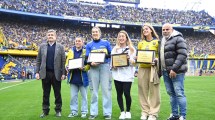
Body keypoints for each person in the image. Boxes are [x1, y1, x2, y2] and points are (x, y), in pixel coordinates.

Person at [35, 29, 66, 118]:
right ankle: (45, 111)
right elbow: (38, 60)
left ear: (55, 37)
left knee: (57, 93)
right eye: (49, 35)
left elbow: (63, 61)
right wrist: (37, 72)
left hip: (56, 74)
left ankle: (58, 110)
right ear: (47, 36)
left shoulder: (61, 47)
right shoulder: (42, 46)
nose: (50, 36)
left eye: (52, 35)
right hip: (45, 73)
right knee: (45, 93)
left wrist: (63, 73)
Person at [160, 23, 187, 120]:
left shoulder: (178, 38)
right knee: (171, 94)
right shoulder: (162, 40)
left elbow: (182, 54)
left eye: (167, 29)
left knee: (179, 93)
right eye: (163, 30)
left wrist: (174, 68)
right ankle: (175, 114)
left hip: (177, 71)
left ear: (172, 30)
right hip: (165, 71)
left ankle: (183, 116)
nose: (165, 31)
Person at [86, 26, 112, 119]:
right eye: (93, 32)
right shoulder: (89, 44)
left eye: (96, 32)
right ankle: (93, 112)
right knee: (94, 91)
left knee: (106, 90)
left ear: (100, 33)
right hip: (93, 68)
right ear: (91, 34)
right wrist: (91, 62)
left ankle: (107, 113)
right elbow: (87, 58)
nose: (95, 33)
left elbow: (111, 55)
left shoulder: (106, 43)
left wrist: (104, 54)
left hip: (104, 66)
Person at [137, 24, 160, 120]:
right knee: (142, 91)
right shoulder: (140, 43)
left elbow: (160, 56)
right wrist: (136, 58)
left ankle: (153, 113)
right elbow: (138, 55)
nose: (145, 31)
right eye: (143, 30)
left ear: (151, 30)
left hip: (153, 69)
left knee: (154, 91)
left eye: (146, 29)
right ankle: (145, 112)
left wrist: (156, 60)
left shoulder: (157, 42)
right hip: (142, 68)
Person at [111, 30, 136, 119]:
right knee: (119, 94)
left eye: (123, 36)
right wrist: (113, 65)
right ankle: (122, 111)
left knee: (127, 93)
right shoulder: (115, 49)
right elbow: (112, 62)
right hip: (117, 75)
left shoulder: (132, 49)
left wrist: (129, 59)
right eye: (119, 36)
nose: (121, 38)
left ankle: (128, 111)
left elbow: (134, 64)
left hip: (128, 75)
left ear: (126, 38)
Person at [65, 37, 90, 118]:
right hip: (73, 78)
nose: (77, 42)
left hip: (83, 77)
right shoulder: (70, 51)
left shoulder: (86, 51)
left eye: (79, 41)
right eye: (76, 41)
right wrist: (67, 66)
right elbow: (67, 63)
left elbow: (88, 64)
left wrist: (84, 68)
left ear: (82, 42)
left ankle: (84, 111)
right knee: (73, 97)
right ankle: (74, 111)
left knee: (84, 97)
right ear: (74, 42)